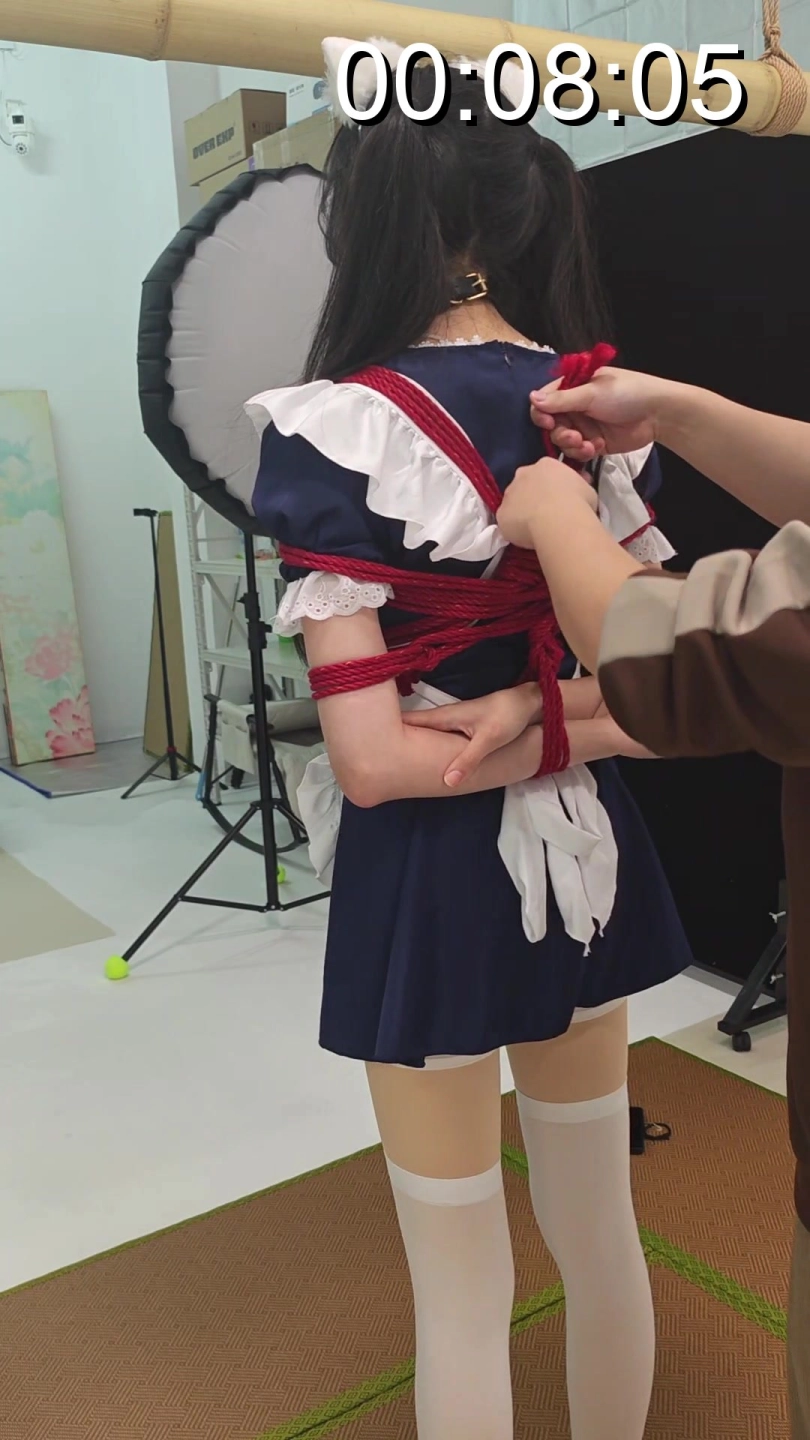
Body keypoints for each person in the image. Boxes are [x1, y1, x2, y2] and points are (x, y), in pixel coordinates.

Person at [245, 39, 693, 1440]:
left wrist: (505, 721)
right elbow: (670, 697)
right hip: (588, 850)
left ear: (369, 218)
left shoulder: (333, 429)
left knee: (458, 1286)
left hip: (428, 876)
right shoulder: (599, 407)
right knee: (602, 1234)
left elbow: (375, 765)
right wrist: (556, 718)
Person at [420, 364, 810, 1435]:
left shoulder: (343, 428)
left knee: (495, 1264)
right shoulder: (350, 430)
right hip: (494, 858)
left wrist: (559, 520)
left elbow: (691, 671)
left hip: (526, 858)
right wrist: (681, 413)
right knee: (540, 1246)